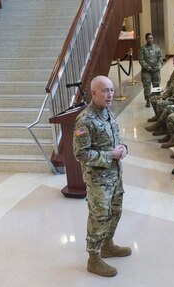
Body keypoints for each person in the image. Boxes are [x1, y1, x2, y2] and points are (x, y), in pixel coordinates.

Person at [73, 76, 131, 277]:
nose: (110, 95)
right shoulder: (85, 120)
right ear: (94, 93)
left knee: (115, 212)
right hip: (98, 180)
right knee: (99, 217)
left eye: (112, 90)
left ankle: (108, 245)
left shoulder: (107, 112)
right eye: (105, 91)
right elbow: (81, 154)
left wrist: (123, 148)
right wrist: (110, 155)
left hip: (115, 175)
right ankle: (94, 258)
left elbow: (114, 139)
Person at [145, 59, 174, 136]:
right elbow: (170, 89)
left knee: (160, 104)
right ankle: (159, 120)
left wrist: (166, 99)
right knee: (154, 98)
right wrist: (162, 96)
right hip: (172, 98)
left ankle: (162, 126)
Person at [138, 32, 163, 107]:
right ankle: (148, 100)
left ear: (153, 39)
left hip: (156, 70)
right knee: (147, 85)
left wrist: (157, 67)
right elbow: (141, 60)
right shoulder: (142, 49)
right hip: (146, 71)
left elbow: (160, 58)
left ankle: (156, 99)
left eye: (151, 38)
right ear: (146, 39)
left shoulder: (157, 48)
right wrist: (148, 67)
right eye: (148, 38)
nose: (150, 39)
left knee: (156, 84)